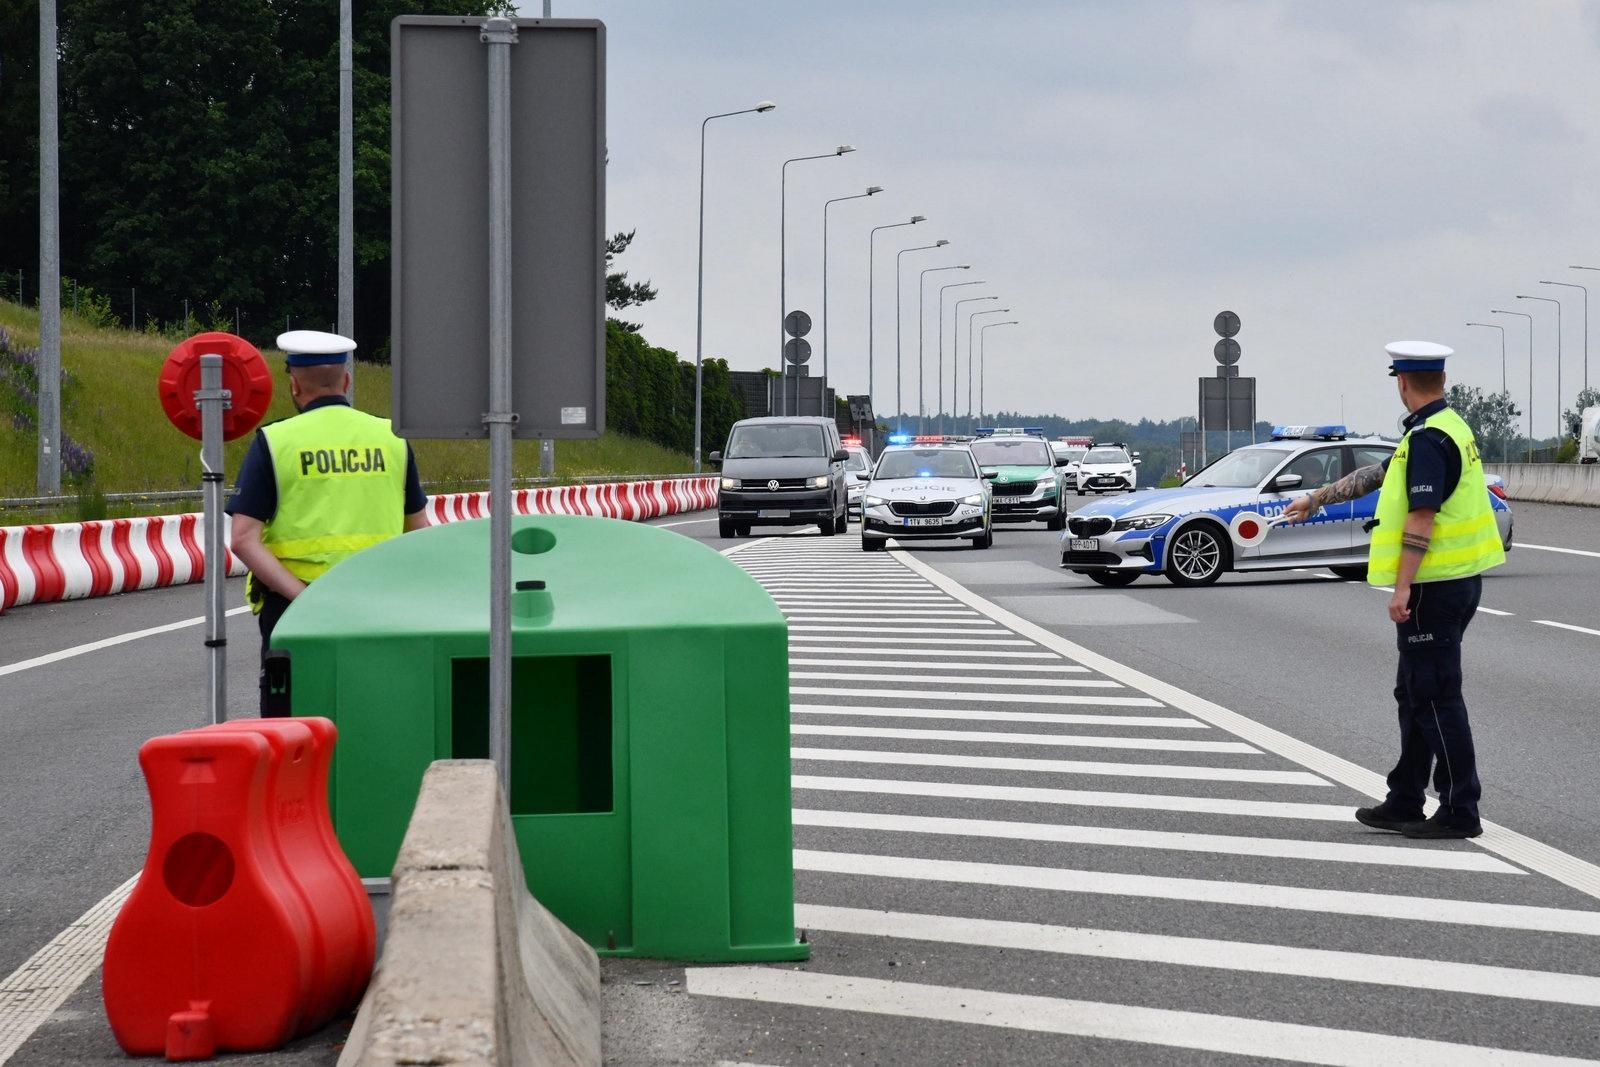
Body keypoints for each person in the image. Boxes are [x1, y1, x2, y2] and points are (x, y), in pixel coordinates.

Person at [1282, 341, 1505, 839]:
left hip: (1434, 587)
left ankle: (1459, 809)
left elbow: (1422, 517)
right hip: (1455, 583)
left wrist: (1401, 588)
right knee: (1415, 694)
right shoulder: (1444, 428)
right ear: (1441, 382)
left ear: (1402, 383)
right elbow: (1379, 475)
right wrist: (1316, 498)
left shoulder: (1429, 439)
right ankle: (1405, 798)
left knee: (1435, 698)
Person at [228, 331, 429, 713]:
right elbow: (419, 533)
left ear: (293, 384)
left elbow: (243, 539)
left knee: (294, 721)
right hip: (379, 608)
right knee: (375, 715)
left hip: (296, 612)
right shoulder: (392, 438)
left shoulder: (274, 442)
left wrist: (307, 598)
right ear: (347, 381)